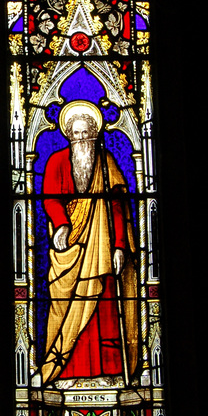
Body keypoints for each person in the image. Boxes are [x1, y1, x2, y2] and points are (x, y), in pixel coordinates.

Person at [40, 101, 138, 386]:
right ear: (68, 134)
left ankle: (109, 372)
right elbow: (50, 199)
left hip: (103, 248)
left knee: (104, 307)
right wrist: (60, 224)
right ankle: (66, 371)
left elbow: (119, 207)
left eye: (87, 133)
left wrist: (120, 245)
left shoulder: (107, 163)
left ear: (95, 133)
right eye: (77, 133)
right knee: (67, 305)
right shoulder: (57, 161)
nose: (82, 139)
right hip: (71, 246)